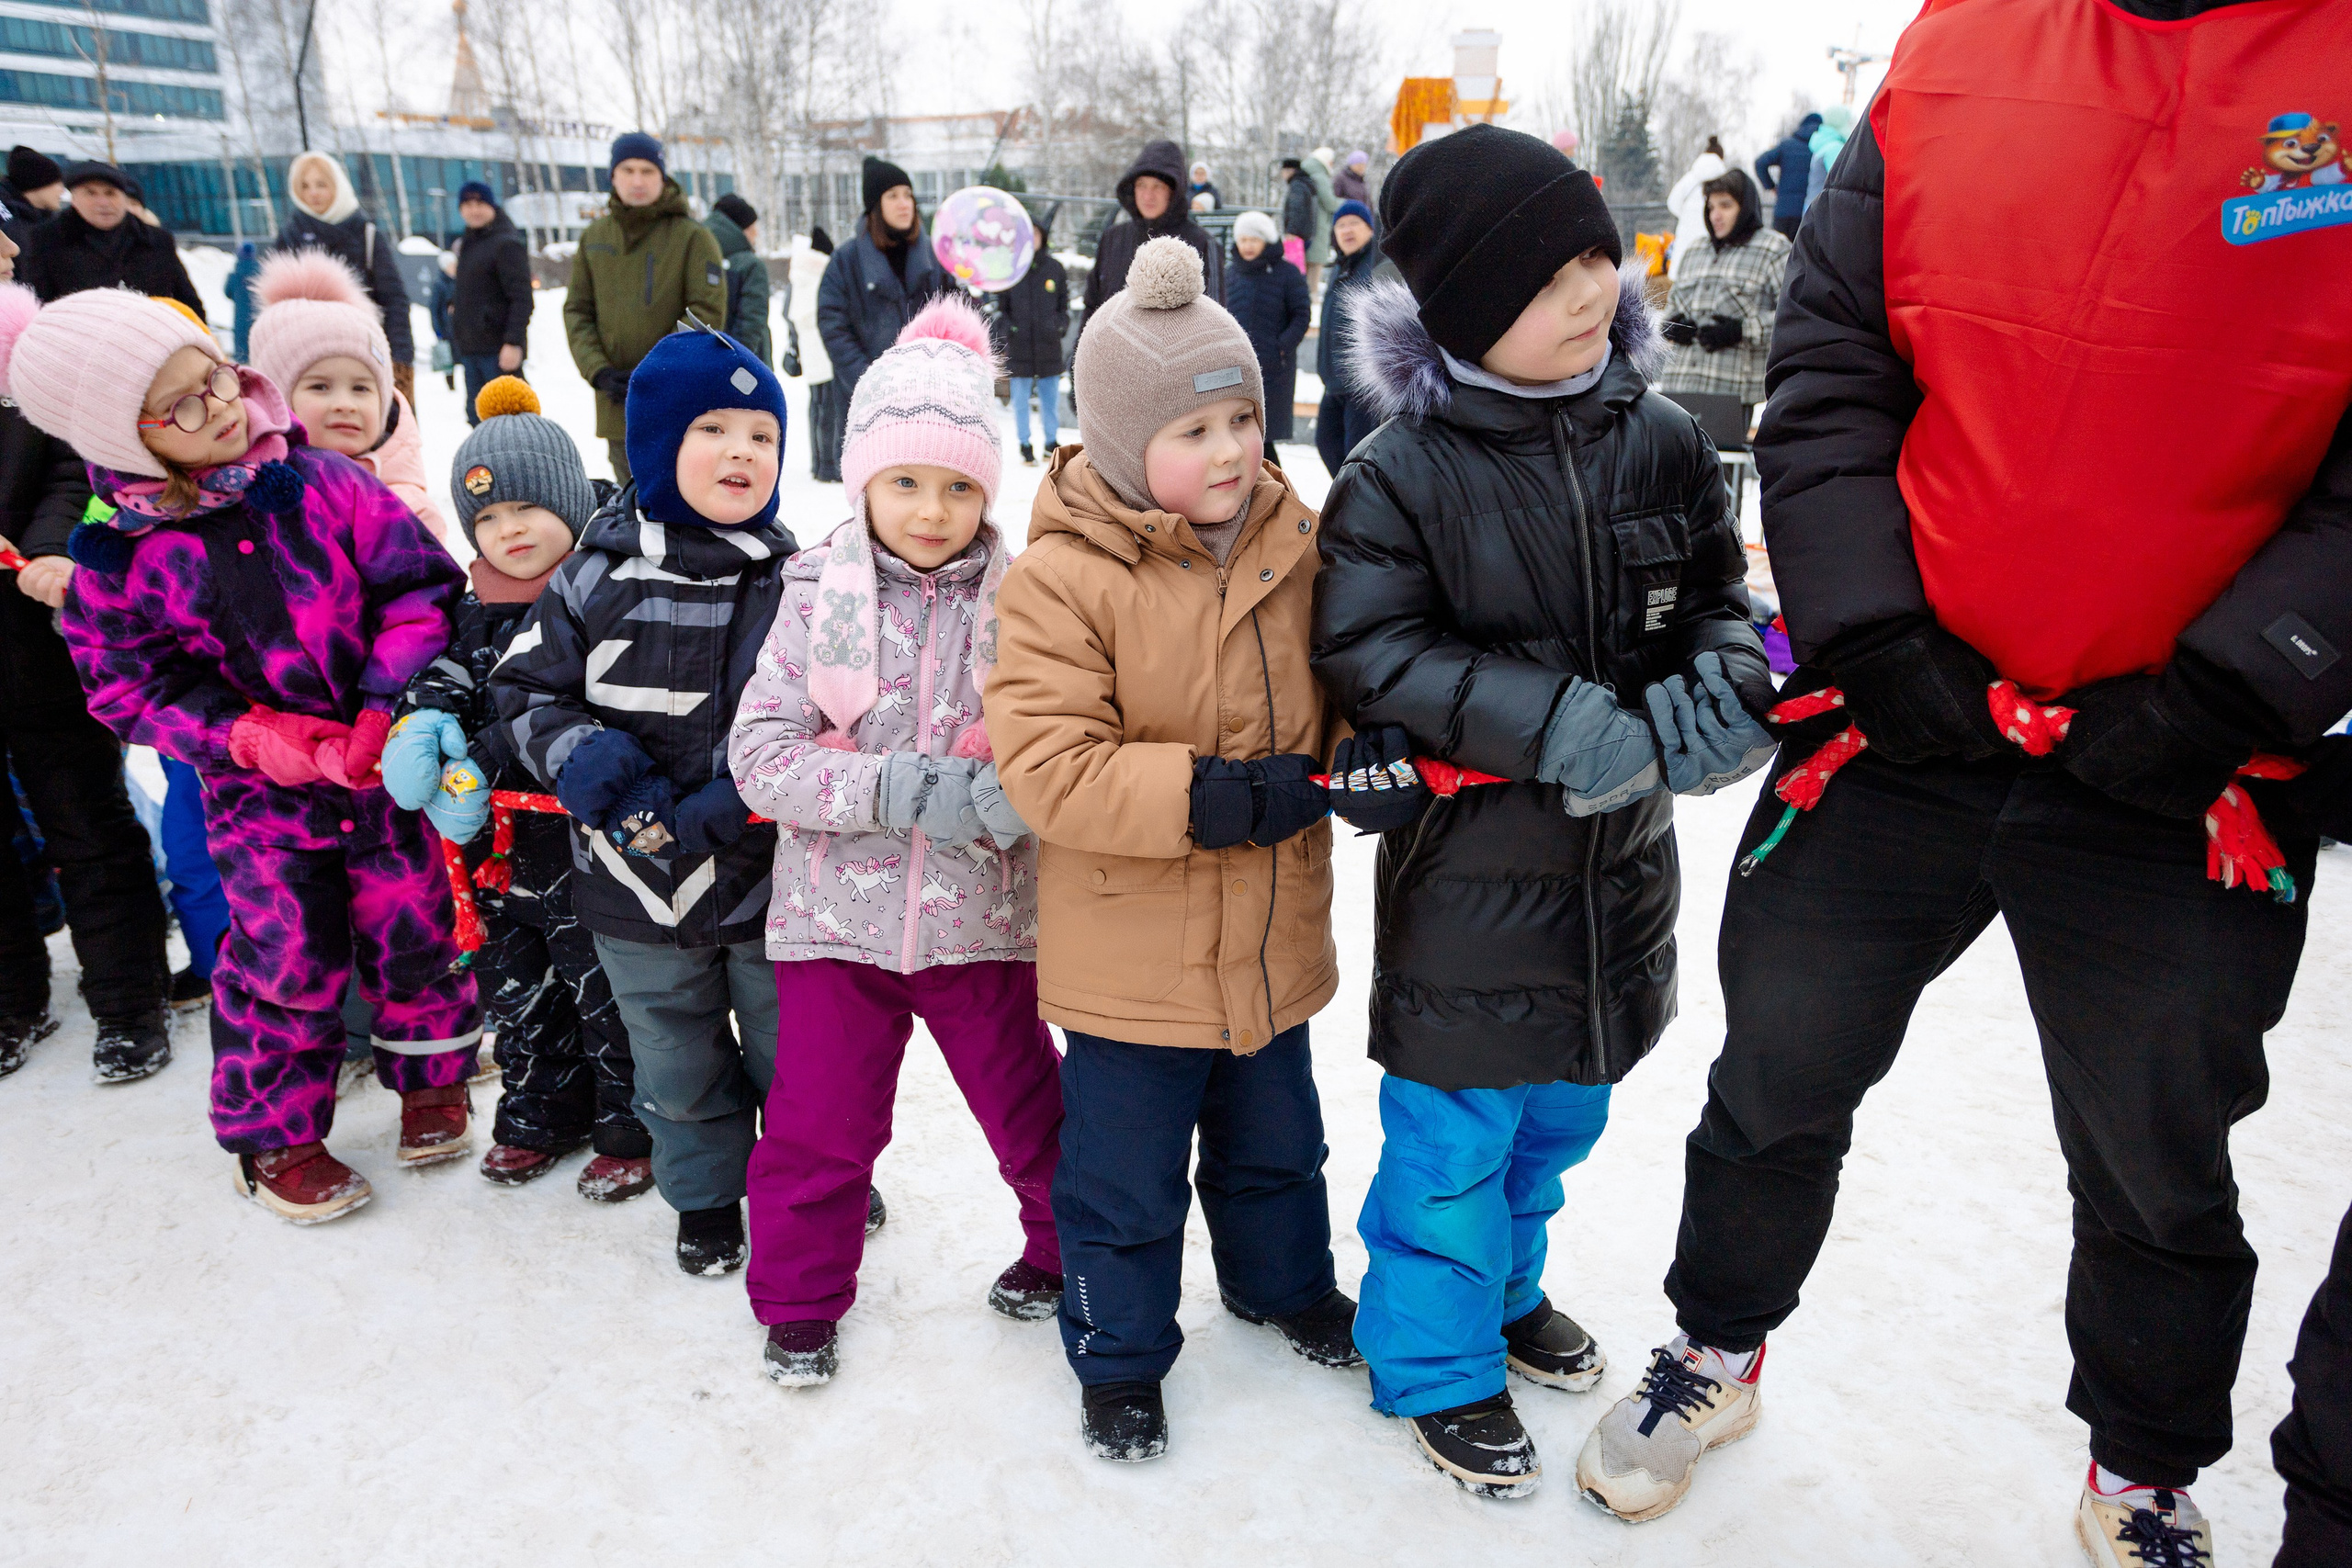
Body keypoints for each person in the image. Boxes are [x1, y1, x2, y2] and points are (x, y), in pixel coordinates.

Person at [1574, 6, 2352, 1559]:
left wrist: (2239, 677)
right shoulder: (1958, 43)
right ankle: (1718, 1349)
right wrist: (1867, 625)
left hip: (2184, 759)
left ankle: (2143, 1467)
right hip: (1907, 717)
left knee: (2157, 1151)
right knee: (1779, 1066)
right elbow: (1836, 359)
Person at [1311, 123, 1770, 1501]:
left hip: (1616, 881)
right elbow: (1372, 651)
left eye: (1593, 256)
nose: (1590, 291)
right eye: (1543, 278)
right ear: (1461, 315)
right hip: (1471, 884)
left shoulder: (1667, 436)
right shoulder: (1401, 470)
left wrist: (1725, 689)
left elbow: (1714, 603)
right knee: (1453, 1143)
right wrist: (1549, 715)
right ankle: (1432, 1360)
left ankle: (1507, 1298)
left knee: (1556, 1128)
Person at [986, 237, 1355, 1465]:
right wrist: (1206, 795)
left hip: (1270, 935)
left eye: (1245, 418)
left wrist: (1374, 747)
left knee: (1277, 1147)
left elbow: (1340, 690)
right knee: (1124, 1183)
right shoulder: (1062, 579)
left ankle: (1283, 1284)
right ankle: (1121, 1353)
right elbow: (1047, 764)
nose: (1233, 449)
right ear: (1118, 441)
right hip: (1133, 966)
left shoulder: (1295, 547)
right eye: (1195, 429)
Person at [5, 286, 480, 1221]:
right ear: (123, 436)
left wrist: (389, 700)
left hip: (382, 778)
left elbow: (420, 589)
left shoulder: (328, 482)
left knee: (413, 929)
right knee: (283, 965)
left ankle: (432, 1076)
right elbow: (127, 691)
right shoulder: (117, 559)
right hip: (262, 807)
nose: (222, 407)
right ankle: (276, 1138)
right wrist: (249, 736)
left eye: (216, 379)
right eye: (183, 404)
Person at [730, 296, 1064, 1388]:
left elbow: (1060, 740)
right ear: (861, 477)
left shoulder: (1026, 600)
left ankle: (1066, 1258)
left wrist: (1014, 794)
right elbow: (764, 759)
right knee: (817, 1131)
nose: (932, 510)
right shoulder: (815, 594)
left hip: (983, 926)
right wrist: (902, 785)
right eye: (906, 481)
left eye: (960, 484)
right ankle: (798, 1303)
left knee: (1035, 1119)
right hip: (835, 923)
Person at [492, 322, 796, 1278]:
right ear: (658, 445)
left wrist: (747, 796)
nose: (742, 452)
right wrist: (599, 771)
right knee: (674, 1061)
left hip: (767, 883)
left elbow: (828, 714)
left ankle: (805, 1175)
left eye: (762, 435)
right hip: (631, 889)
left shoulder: (798, 579)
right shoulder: (594, 576)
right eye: (715, 429)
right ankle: (704, 1196)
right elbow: (525, 693)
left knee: (798, 1056)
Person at [381, 377, 654, 1201]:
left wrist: (496, 754)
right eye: (489, 520)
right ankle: (539, 1109)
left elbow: (597, 705)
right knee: (517, 987)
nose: (510, 532)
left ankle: (625, 1119)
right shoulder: (476, 610)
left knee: (600, 986)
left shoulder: (606, 599)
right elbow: (455, 675)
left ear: (570, 503)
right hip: (499, 854)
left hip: (590, 849)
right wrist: (423, 720)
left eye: (527, 510)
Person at [0, 272, 172, 1084]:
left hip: (34, 634)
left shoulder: (29, 358)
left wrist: (47, 546)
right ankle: (11, 996)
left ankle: (129, 998)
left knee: (84, 818)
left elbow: (79, 465)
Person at [248, 249, 448, 541]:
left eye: (361, 388)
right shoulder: (246, 498)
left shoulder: (405, 510)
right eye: (320, 386)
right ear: (273, 400)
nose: (345, 405)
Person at [563, 133, 727, 485]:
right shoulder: (594, 238)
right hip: (615, 401)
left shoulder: (693, 238)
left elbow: (706, 311)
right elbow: (577, 310)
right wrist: (599, 371)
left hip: (676, 400)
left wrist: (656, 369)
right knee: (631, 503)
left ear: (662, 177)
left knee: (683, 495)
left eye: (648, 170)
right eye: (628, 170)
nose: (637, 180)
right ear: (613, 176)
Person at [815, 158, 944, 479]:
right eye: (893, 196)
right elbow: (832, 323)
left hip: (930, 397)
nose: (904, 204)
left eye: (908, 194)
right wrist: (868, 378)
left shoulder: (935, 255)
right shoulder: (845, 260)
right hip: (870, 402)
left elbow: (955, 313)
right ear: (875, 205)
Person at [270, 152, 416, 404]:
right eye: (304, 186)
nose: (313, 193)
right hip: (309, 358)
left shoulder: (365, 233)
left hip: (366, 352)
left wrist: (399, 358)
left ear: (337, 186)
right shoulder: (290, 237)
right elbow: (276, 307)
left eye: (321, 184)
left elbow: (394, 299)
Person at [1658, 169, 1789, 410]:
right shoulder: (1694, 251)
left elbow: (1792, 319)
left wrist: (1740, 330)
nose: (1715, 215)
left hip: (1733, 395)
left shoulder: (1773, 249)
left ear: (1745, 206)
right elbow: (1671, 309)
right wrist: (1673, 327)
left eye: (1725, 206)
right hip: (1678, 390)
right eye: (1711, 207)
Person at [17, 162, 202, 315]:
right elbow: (36, 305)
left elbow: (188, 304)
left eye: (110, 193)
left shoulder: (157, 240)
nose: (103, 203)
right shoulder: (47, 239)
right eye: (91, 193)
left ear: (125, 198)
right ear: (74, 199)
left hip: (154, 347)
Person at [1081, 141, 1221, 334]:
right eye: (1141, 185)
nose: (1148, 196)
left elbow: (1214, 322)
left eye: (1158, 186)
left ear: (1174, 192)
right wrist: (1077, 360)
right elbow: (1092, 307)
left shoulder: (1202, 243)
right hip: (1112, 359)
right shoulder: (1113, 238)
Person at [1313, 198, 1389, 476]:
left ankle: (1358, 511)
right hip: (1334, 380)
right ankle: (1349, 503)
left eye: (1354, 224)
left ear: (1370, 228)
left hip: (1362, 384)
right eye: (1341, 225)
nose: (1347, 230)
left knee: (1356, 454)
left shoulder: (1377, 265)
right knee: (1326, 443)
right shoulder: (1339, 267)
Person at [448, 180, 532, 423]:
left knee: (510, 420)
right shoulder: (467, 244)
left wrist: (513, 342)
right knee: (477, 417)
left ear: (492, 206)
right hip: (471, 349)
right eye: (467, 204)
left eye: (480, 204)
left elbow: (522, 298)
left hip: (498, 351)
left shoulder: (506, 243)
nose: (474, 210)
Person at [1223, 211, 1309, 446]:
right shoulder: (1229, 274)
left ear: (1266, 241)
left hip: (1274, 368)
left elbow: (1301, 315)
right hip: (1234, 368)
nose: (1248, 245)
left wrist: (1281, 346)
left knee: (1262, 436)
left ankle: (1269, 482)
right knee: (1239, 435)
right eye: (1243, 239)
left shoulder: (1287, 273)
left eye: (1254, 239)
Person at [998, 209, 1069, 466]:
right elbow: (1001, 309)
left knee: (1050, 399)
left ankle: (1051, 442)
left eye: (1036, 233)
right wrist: (1009, 330)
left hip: (1048, 346)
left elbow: (1064, 305)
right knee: (1020, 401)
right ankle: (1024, 444)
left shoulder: (1055, 269)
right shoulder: (1011, 269)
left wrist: (1059, 325)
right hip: (1020, 349)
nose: (1032, 238)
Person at [706, 192, 771, 367]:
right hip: (745, 365)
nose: (756, 234)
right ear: (738, 229)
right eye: (752, 228)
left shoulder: (697, 257)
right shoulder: (751, 265)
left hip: (707, 361)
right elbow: (752, 323)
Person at [803, 224, 845, 482]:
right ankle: (828, 465)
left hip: (810, 350)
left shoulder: (800, 275)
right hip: (824, 349)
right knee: (829, 409)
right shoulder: (823, 273)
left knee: (816, 407)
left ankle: (818, 462)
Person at [1665, 136, 1728, 276]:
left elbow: (1672, 202)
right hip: (1713, 233)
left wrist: (1686, 215)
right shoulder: (1724, 181)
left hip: (1687, 233)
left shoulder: (1690, 179)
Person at [1752, 112, 1820, 239]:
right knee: (1801, 256)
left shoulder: (1786, 145)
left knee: (1779, 251)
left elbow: (1760, 163)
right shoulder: (1820, 149)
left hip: (1783, 211)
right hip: (1807, 214)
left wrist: (1771, 186)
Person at [0, 145, 62, 247]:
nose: (62, 191)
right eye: (57, 183)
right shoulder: (8, 225)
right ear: (38, 184)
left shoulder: (45, 221)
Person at [1297, 151, 1340, 298]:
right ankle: (1312, 297)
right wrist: (1347, 203)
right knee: (1316, 265)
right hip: (1318, 228)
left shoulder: (1302, 173)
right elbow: (1330, 203)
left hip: (1303, 228)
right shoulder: (1320, 177)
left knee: (1303, 267)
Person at [1804, 105, 1854, 213]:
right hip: (1824, 211)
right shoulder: (1835, 148)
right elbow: (1842, 183)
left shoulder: (1822, 144)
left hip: (1811, 206)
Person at [227, 242, 261, 363]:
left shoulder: (235, 274)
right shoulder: (260, 272)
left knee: (241, 339)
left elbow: (227, 292)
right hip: (258, 312)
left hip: (240, 313)